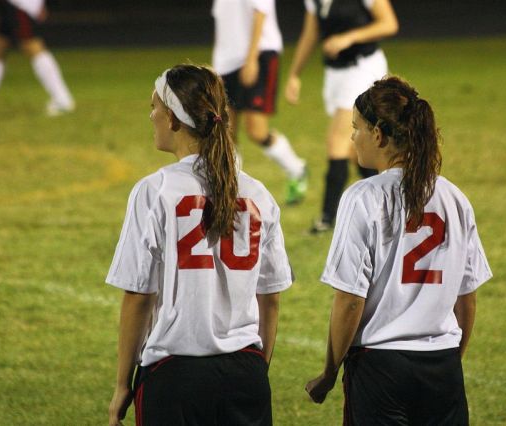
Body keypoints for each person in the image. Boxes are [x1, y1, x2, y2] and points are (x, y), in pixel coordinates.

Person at [106, 64, 293, 426]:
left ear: (174, 119)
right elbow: (270, 298)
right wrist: (258, 368)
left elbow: (139, 296)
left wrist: (121, 385)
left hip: (175, 375)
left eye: (155, 106)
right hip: (245, 372)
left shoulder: (155, 190)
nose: (151, 115)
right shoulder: (258, 193)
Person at [305, 76, 493, 425]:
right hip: (442, 366)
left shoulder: (363, 196)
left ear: (378, 135)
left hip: (380, 367)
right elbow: (466, 299)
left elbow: (350, 300)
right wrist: (450, 361)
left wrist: (329, 373)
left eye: (356, 128)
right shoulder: (454, 197)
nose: (352, 138)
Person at [284, 0, 398, 232]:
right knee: (355, 151)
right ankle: (391, 206)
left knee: (337, 141)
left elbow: (389, 23)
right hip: (335, 75)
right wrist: (294, 74)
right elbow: (311, 33)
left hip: (363, 69)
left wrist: (349, 37)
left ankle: (326, 219)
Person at [212, 0, 308, 205]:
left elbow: (260, 12)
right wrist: (218, 65)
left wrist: (251, 58)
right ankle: (231, 192)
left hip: (258, 55)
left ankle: (296, 169)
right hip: (227, 63)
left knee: (256, 131)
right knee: (225, 131)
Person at [0, 0, 74, 115]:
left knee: (31, 44)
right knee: (0, 46)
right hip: (16, 4)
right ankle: (62, 99)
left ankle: (62, 99)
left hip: (20, 4)